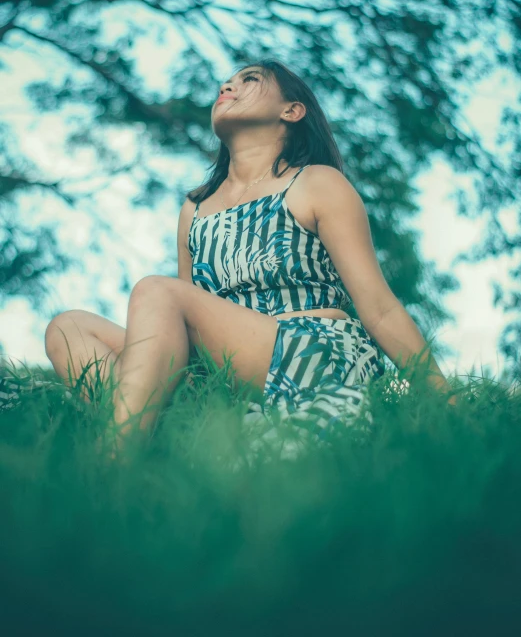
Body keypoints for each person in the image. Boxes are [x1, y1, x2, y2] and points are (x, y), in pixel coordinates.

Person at [31, 59, 454, 446]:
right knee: (68, 327)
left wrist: (446, 402)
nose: (226, 86)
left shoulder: (317, 182)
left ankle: (114, 465)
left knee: (157, 292)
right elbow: (184, 325)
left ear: (292, 111)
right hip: (225, 368)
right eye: (227, 82)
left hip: (315, 355)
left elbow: (378, 309)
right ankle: (151, 436)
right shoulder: (195, 207)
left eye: (249, 80)